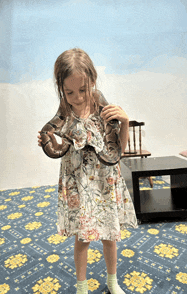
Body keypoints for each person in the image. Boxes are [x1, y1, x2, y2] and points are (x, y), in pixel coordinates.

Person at [38, 48, 138, 294]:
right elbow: (63, 147)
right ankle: (81, 287)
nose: (77, 97)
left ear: (92, 81)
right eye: (69, 92)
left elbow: (118, 151)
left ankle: (113, 282)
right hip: (78, 181)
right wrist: (49, 143)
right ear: (61, 88)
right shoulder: (64, 109)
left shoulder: (103, 107)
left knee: (109, 236)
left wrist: (124, 121)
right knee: (82, 239)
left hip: (104, 180)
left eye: (83, 90)